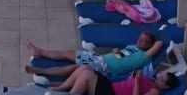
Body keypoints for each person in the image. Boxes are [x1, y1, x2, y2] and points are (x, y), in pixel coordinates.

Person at [24, 32, 164, 79]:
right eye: (140, 37)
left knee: (73, 68)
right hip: (100, 59)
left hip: (104, 67)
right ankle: (39, 52)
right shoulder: (133, 47)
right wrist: (115, 52)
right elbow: (122, 57)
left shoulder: (144, 57)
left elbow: (160, 43)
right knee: (68, 53)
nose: (140, 40)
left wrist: (162, 33)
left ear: (149, 46)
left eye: (144, 40)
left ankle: (41, 71)